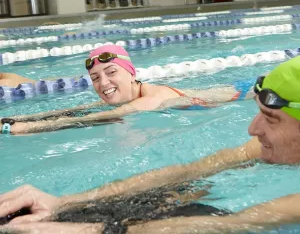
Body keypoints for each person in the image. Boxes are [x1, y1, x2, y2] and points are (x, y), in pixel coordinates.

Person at [1, 56, 300, 233]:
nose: (252, 129)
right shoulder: (260, 146)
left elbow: (236, 223)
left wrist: (100, 230)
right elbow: (189, 171)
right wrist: (64, 203)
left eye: (270, 119)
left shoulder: (150, 100)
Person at [0, 45, 252, 135]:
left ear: (131, 73)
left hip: (243, 94)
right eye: (95, 77)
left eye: (112, 73)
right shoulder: (136, 94)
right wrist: (16, 119)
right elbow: (80, 110)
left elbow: (95, 119)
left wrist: (23, 129)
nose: (104, 84)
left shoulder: (151, 98)